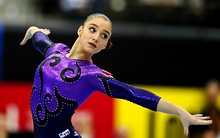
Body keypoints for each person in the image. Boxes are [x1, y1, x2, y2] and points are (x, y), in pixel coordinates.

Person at [20, 13, 212, 138]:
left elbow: (134, 94)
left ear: (105, 45)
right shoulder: (56, 51)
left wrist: (178, 111)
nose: (96, 37)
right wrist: (33, 31)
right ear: (81, 30)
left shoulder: (93, 75)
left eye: (104, 36)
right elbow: (37, 36)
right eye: (92, 29)